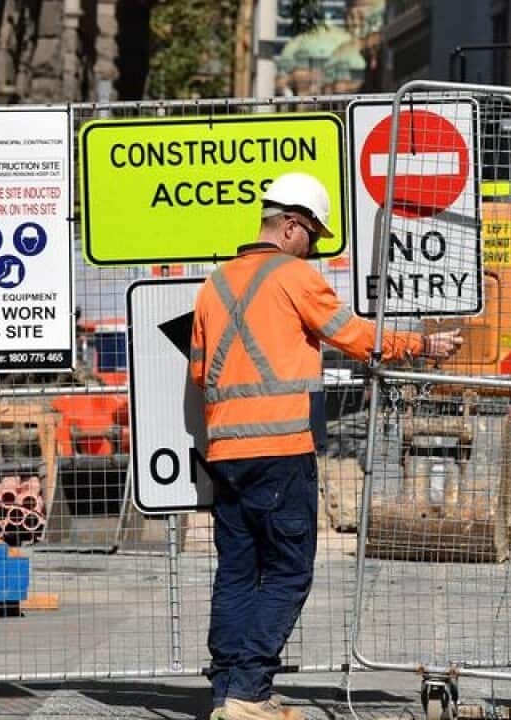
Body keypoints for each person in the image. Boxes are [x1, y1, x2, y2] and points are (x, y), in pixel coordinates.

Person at [190, 172, 462, 720]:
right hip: (280, 449)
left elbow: (200, 375)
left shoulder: (215, 283)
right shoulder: (294, 277)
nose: (312, 247)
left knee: (239, 572)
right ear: (291, 226)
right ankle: (247, 692)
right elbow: (356, 335)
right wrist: (422, 345)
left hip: (224, 453)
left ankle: (229, 694)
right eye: (312, 235)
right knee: (290, 570)